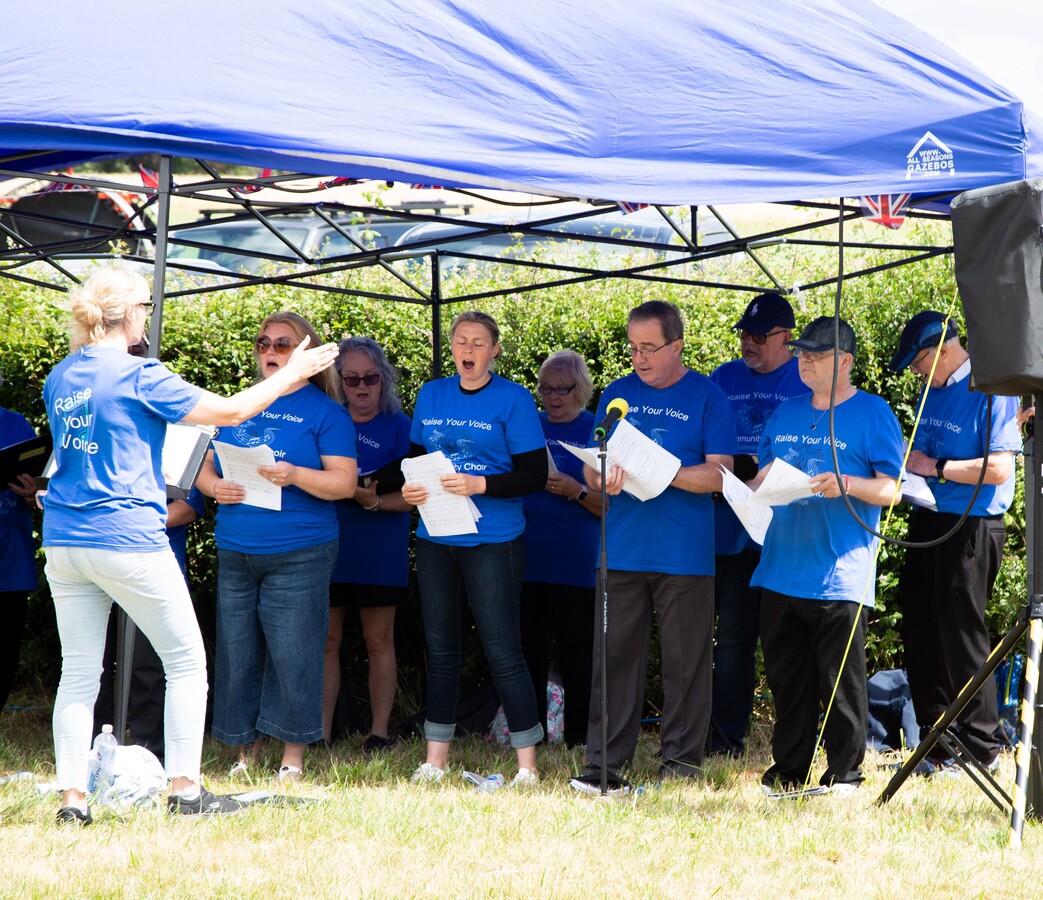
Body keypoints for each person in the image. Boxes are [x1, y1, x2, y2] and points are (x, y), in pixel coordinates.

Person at [40, 263, 340, 825]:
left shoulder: (62, 376)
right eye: (145, 309)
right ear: (127, 314)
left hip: (63, 538)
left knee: (78, 671)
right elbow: (229, 412)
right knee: (187, 661)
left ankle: (72, 802)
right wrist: (292, 370)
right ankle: (184, 790)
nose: (146, 318)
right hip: (124, 533)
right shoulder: (139, 374)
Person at [575, 300, 737, 786]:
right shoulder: (617, 394)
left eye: (649, 348)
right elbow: (590, 464)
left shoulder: (709, 397)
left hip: (684, 556)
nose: (638, 358)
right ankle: (603, 767)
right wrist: (604, 476)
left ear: (677, 346)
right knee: (612, 663)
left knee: (685, 667)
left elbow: (721, 474)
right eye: (632, 347)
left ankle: (680, 767)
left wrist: (662, 473)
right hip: (620, 549)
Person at [198, 311, 357, 783]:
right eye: (264, 343)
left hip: (300, 549)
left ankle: (292, 756)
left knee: (295, 652)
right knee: (237, 651)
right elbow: (205, 466)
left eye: (283, 345)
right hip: (236, 545)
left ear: (305, 354)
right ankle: (242, 750)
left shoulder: (327, 412)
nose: (271, 352)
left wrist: (295, 475)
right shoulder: (240, 404)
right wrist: (213, 488)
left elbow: (345, 484)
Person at [751, 316, 903, 793]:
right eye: (800, 354)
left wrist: (849, 485)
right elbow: (762, 472)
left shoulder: (874, 413)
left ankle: (845, 775)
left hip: (839, 572)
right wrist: (749, 489)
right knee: (787, 683)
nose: (803, 362)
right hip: (779, 568)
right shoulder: (786, 410)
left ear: (846, 362)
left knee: (841, 686)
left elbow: (894, 489)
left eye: (814, 356)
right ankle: (788, 774)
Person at [402, 310, 547, 785]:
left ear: (495, 350)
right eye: (461, 341)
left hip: (493, 539)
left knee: (503, 648)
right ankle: (435, 760)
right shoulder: (431, 393)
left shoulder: (514, 399)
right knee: (441, 649)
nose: (468, 350)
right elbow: (415, 459)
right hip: (435, 536)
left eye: (479, 342)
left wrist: (478, 483)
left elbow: (534, 475)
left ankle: (527, 764)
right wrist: (409, 489)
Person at [888, 310, 1021, 773]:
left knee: (962, 633)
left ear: (942, 351)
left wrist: (937, 469)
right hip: (929, 517)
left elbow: (1001, 468)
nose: (918, 375)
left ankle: (982, 747)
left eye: (920, 364)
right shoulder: (935, 393)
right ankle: (935, 739)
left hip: (972, 526)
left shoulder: (991, 388)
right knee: (921, 625)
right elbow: (919, 454)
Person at [707, 291, 808, 756]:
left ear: (787, 337)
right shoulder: (722, 379)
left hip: (787, 534)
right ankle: (726, 739)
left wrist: (747, 465)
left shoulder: (806, 379)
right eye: (744, 334)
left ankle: (802, 737)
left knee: (791, 642)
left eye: (760, 336)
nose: (748, 343)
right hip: (729, 531)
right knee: (731, 640)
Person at [324, 337, 411, 750]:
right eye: (352, 379)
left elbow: (416, 493)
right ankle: (319, 734)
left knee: (380, 641)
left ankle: (379, 732)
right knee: (326, 641)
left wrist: (374, 500)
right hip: (330, 545)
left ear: (384, 380)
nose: (362, 387)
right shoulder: (327, 421)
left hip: (380, 547)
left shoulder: (401, 427)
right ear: (339, 382)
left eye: (371, 378)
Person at [520, 350, 602, 747]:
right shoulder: (530, 426)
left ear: (581, 389)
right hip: (524, 559)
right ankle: (531, 735)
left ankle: (580, 738)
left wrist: (577, 490)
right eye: (546, 388)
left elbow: (610, 508)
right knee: (526, 653)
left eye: (562, 389)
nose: (553, 397)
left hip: (575, 563)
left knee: (578, 656)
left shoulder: (594, 430)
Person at [93, 490, 206, 763]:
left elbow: (188, 508)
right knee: (93, 662)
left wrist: (128, 521)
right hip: (97, 555)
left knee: (149, 664)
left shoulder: (175, 447)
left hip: (154, 564)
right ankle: (93, 746)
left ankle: (150, 753)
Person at [0, 375, 39, 716]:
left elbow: (35, 489)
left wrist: (30, 492)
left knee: (7, 644)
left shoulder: (15, 422)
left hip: (10, 554)